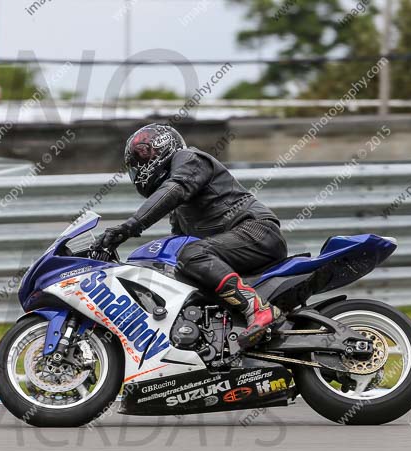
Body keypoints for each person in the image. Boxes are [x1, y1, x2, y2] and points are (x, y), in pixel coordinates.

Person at [93, 124, 288, 349]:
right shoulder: (180, 212)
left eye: (142, 158)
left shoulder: (189, 159)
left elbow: (175, 189)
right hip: (235, 248)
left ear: (161, 147)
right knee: (180, 267)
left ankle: (258, 309)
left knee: (192, 254)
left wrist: (129, 227)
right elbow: (175, 246)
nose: (139, 168)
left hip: (256, 231)